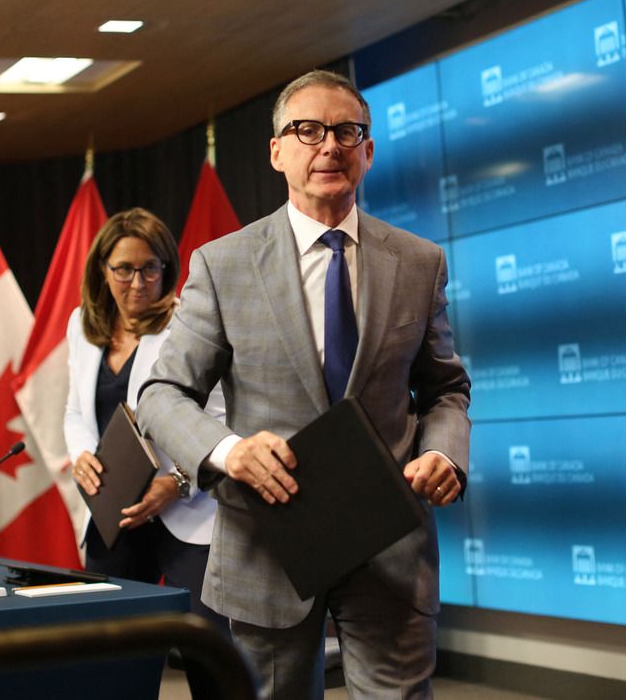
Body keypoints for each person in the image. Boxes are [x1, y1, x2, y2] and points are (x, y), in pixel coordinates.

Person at [136, 70, 471, 699]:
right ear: (277, 151)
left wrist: (442, 450)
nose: (330, 146)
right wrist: (229, 452)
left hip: (389, 543)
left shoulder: (420, 262)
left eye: (348, 132)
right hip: (270, 541)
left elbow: (446, 389)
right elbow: (161, 393)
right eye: (307, 130)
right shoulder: (223, 263)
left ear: (368, 151)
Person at [64, 207, 226, 635]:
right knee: (113, 663)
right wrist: (80, 454)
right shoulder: (81, 326)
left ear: (166, 268)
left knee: (207, 657)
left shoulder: (190, 324)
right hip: (114, 512)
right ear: (102, 269)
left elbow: (221, 418)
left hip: (186, 515)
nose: (138, 283)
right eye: (124, 269)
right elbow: (77, 411)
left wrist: (177, 483)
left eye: (149, 268)